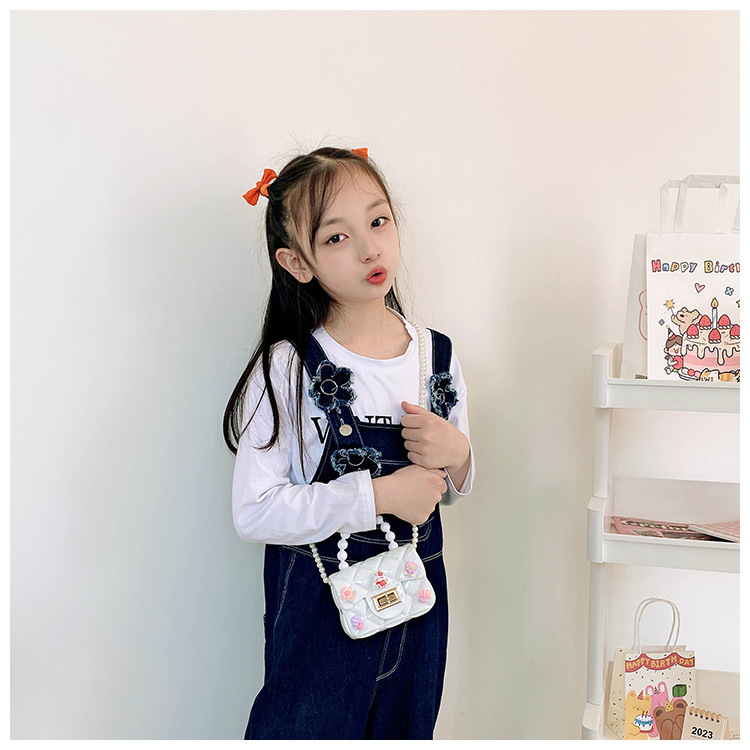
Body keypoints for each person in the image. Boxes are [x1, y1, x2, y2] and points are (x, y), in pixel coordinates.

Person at [223, 146, 475, 740]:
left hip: (417, 617)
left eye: (378, 221)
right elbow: (254, 511)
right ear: (297, 262)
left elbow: (450, 487)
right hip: (320, 627)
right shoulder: (287, 369)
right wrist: (379, 495)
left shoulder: (435, 357)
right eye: (336, 237)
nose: (369, 249)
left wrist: (460, 456)